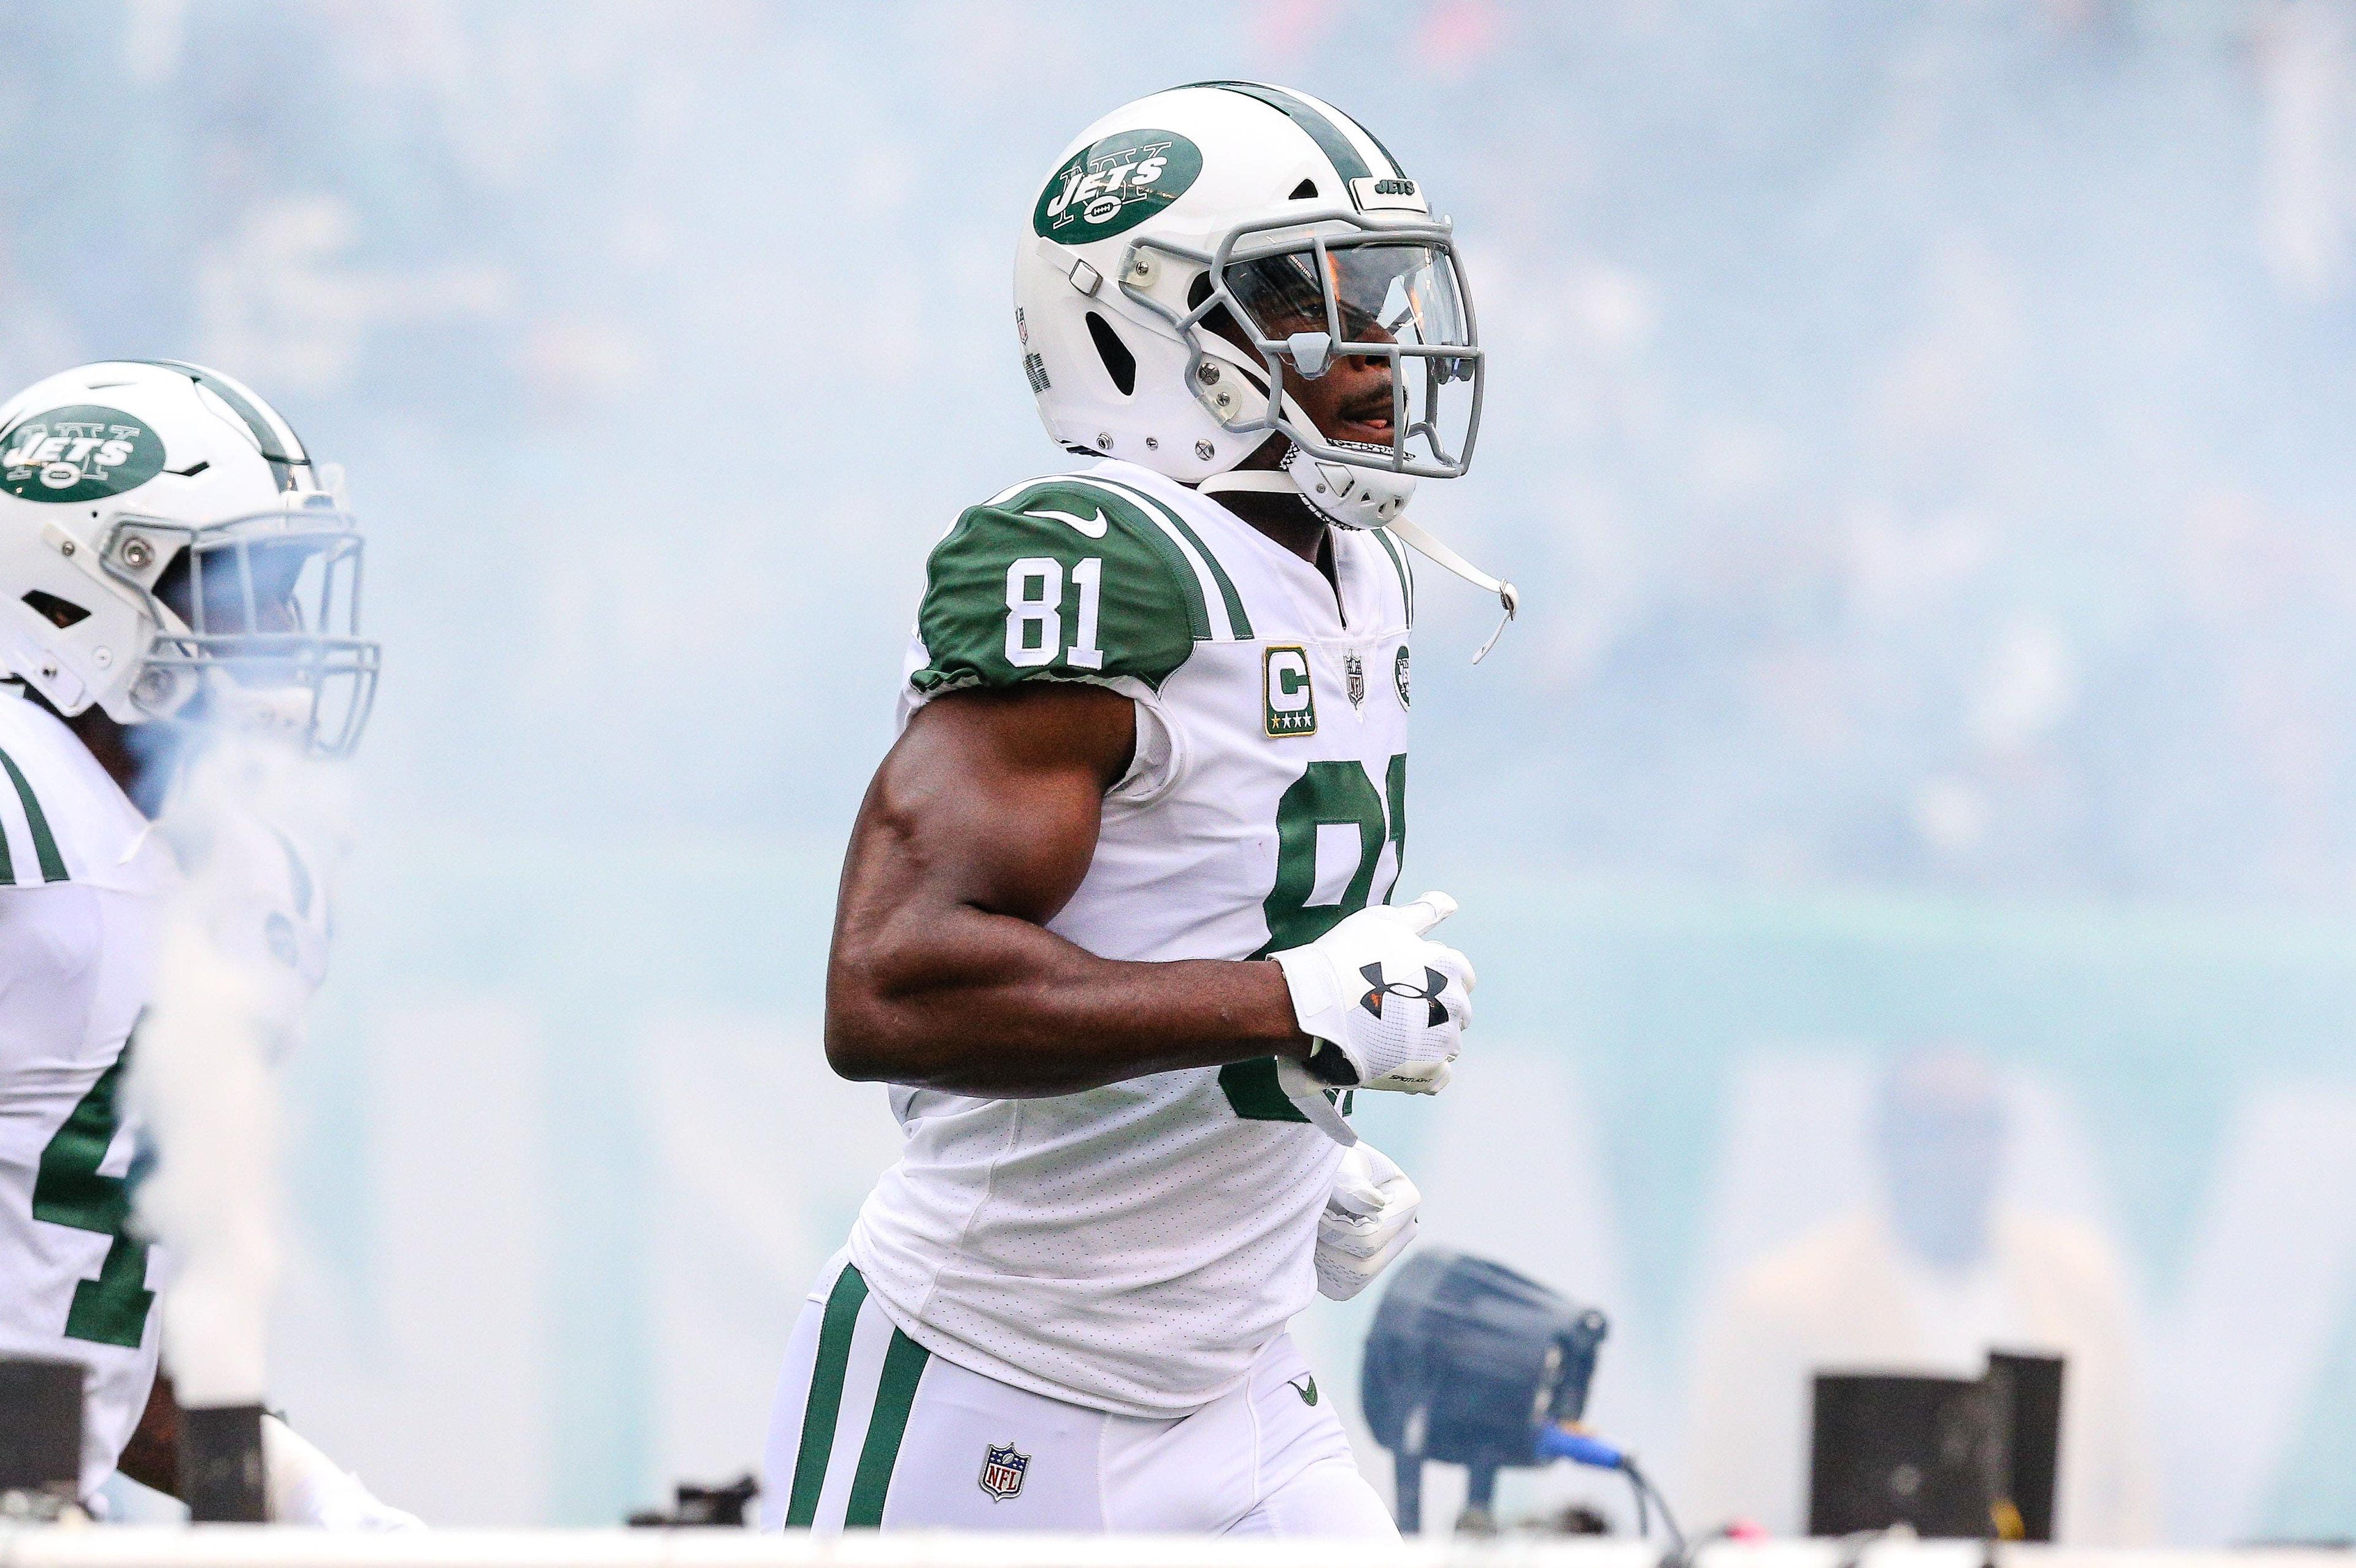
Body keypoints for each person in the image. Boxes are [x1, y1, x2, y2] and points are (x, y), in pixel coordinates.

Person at [760, 82, 1517, 1537]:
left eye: (1374, 293)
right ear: (1142, 327)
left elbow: (1197, 910)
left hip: (1234, 1382)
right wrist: (1279, 1007)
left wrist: (1281, 1155)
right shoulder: (1106, 558)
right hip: (993, 1375)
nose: (1371, 345)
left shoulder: (1355, 564)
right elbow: (892, 991)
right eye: (1302, 296)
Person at [0, 359, 412, 1526]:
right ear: (77, 593)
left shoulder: (254, 877)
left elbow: (109, 1352)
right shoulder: (17, 809)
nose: (279, 635)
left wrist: (339, 1522)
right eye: (239, 591)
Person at [1687, 1048, 2158, 1543]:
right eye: (1936, 1132)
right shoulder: (1781, 1303)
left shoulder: (2080, 1285)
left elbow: (2127, 1492)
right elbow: (1728, 1501)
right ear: (1886, 1142)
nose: (1962, 1155)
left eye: (1979, 1129)